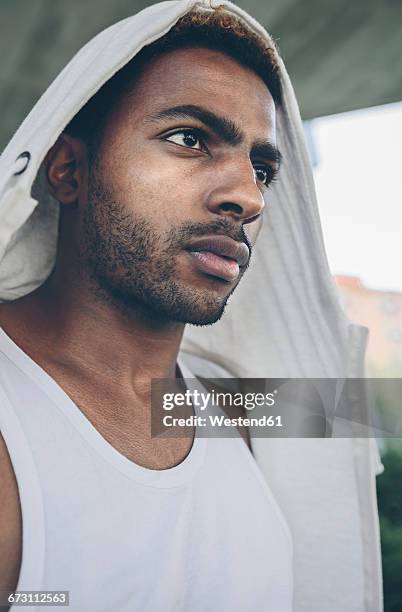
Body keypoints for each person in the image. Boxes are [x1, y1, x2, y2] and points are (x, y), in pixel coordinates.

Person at [0, 1, 383, 611]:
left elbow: (348, 450)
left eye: (263, 168)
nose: (246, 197)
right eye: (189, 138)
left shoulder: (247, 405)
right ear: (68, 168)